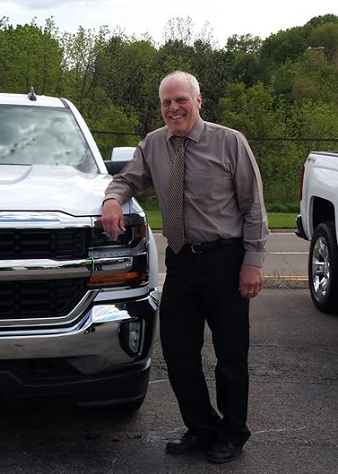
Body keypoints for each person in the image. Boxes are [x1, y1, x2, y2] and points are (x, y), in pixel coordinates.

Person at [98, 70, 268, 464]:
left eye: (180, 100)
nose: (173, 108)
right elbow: (128, 179)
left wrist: (253, 263)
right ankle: (201, 426)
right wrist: (111, 200)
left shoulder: (229, 142)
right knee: (177, 352)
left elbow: (254, 207)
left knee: (230, 355)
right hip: (182, 263)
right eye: (166, 102)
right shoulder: (154, 144)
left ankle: (232, 432)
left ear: (198, 100)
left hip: (226, 261)